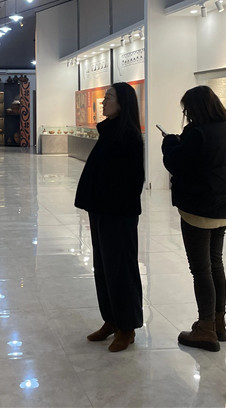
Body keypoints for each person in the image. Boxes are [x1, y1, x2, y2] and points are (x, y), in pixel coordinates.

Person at [161, 86, 226, 351]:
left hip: (198, 209)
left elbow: (177, 164)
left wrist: (169, 144)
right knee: (215, 263)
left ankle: (205, 328)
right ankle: (219, 323)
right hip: (222, 208)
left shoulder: (197, 133)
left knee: (201, 269)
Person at [74, 82, 145, 352]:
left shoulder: (128, 135)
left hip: (118, 214)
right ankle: (111, 320)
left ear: (122, 103)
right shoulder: (109, 130)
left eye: (109, 97)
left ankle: (127, 327)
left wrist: (112, 204)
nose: (103, 102)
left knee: (121, 269)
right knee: (103, 267)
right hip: (101, 209)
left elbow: (133, 180)